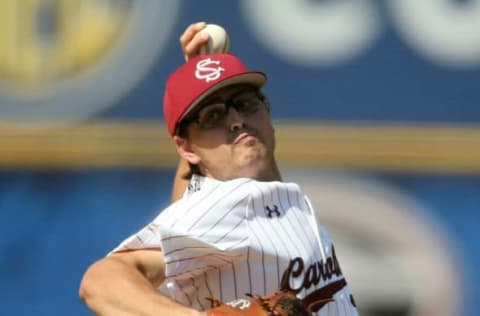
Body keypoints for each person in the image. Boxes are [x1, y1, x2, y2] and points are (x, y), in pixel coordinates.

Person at [79, 22, 359, 316]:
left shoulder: (245, 205)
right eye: (212, 116)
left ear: (268, 112)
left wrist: (198, 79)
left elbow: (191, 205)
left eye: (246, 103)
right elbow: (100, 281)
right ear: (187, 148)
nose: (236, 119)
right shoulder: (235, 203)